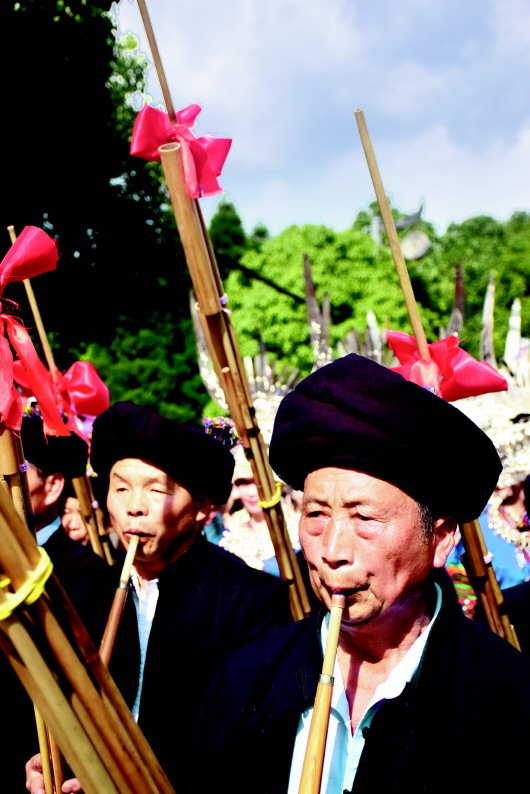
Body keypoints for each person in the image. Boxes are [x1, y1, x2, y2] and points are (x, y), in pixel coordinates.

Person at [195, 353, 530, 794]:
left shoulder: (507, 701)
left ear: (442, 537)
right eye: (316, 515)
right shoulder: (246, 681)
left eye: (364, 519)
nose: (331, 552)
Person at [25, 401, 292, 794]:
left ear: (202, 508)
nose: (134, 507)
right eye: (120, 488)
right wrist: (49, 763)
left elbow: (252, 746)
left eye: (156, 489)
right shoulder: (81, 590)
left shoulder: (251, 602)